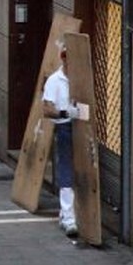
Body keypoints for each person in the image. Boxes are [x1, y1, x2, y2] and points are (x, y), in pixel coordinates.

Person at [42, 41, 80, 238]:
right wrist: (65, 111)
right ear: (63, 58)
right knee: (65, 170)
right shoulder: (55, 81)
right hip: (64, 126)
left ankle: (67, 213)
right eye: (67, 57)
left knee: (82, 172)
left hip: (81, 128)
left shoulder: (81, 78)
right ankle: (68, 219)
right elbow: (47, 109)